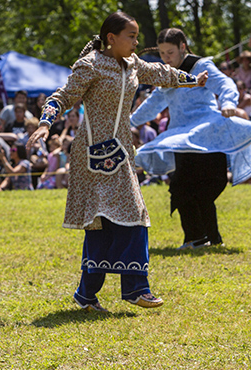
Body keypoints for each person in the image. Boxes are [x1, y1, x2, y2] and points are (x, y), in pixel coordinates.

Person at [28, 12, 208, 312]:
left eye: (137, 36)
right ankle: (136, 288)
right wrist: (46, 123)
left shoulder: (133, 63)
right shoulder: (90, 65)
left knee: (106, 222)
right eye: (131, 36)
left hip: (121, 151)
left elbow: (161, 73)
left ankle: (86, 295)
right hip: (92, 154)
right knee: (128, 215)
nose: (136, 42)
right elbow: (63, 96)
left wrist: (192, 80)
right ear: (111, 39)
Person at [131, 28, 251, 249]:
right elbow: (153, 104)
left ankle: (208, 238)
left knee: (206, 188)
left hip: (207, 135)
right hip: (181, 138)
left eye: (170, 52)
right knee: (180, 188)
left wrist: (228, 103)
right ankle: (197, 238)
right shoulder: (167, 75)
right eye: (162, 53)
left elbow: (226, 84)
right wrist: (128, 122)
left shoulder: (200, 66)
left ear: (182, 47)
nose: (166, 58)